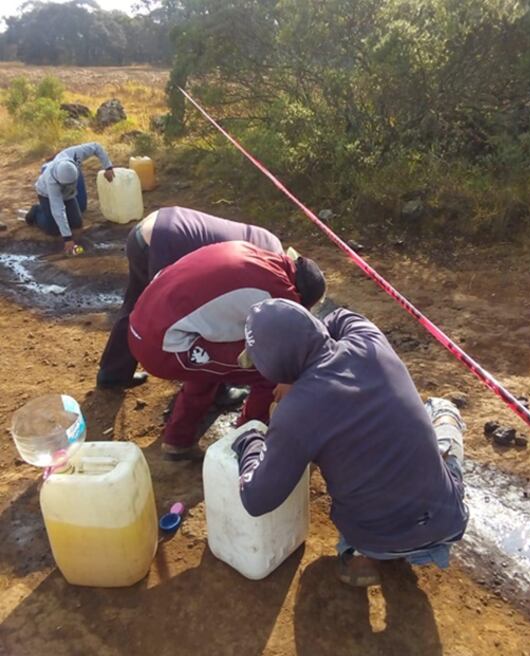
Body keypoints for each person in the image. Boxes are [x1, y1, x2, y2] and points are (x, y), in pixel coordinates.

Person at [231, 298, 469, 587]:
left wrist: (251, 440)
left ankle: (360, 556)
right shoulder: (369, 340)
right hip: (448, 520)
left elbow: (256, 499)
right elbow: (341, 315)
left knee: (334, 457)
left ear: (272, 367)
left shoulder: (295, 414)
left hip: (375, 539)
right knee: (441, 409)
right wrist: (310, 356)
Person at [128, 242, 326, 461]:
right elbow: (282, 353)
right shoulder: (280, 293)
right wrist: (288, 377)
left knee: (210, 368)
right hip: (160, 346)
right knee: (268, 373)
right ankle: (243, 443)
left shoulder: (260, 255)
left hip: (142, 325)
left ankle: (178, 440)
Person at [96, 206, 284, 390]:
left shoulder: (270, 244)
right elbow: (221, 315)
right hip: (166, 243)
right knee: (183, 315)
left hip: (147, 232)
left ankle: (113, 374)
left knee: (136, 305)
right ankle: (213, 390)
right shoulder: (268, 268)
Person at [25, 142, 114, 255]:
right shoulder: (51, 182)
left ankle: (52, 212)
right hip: (46, 194)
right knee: (53, 229)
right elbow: (58, 210)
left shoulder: (74, 155)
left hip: (69, 195)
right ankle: (36, 211)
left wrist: (108, 167)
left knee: (77, 223)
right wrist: (67, 239)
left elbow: (96, 147)